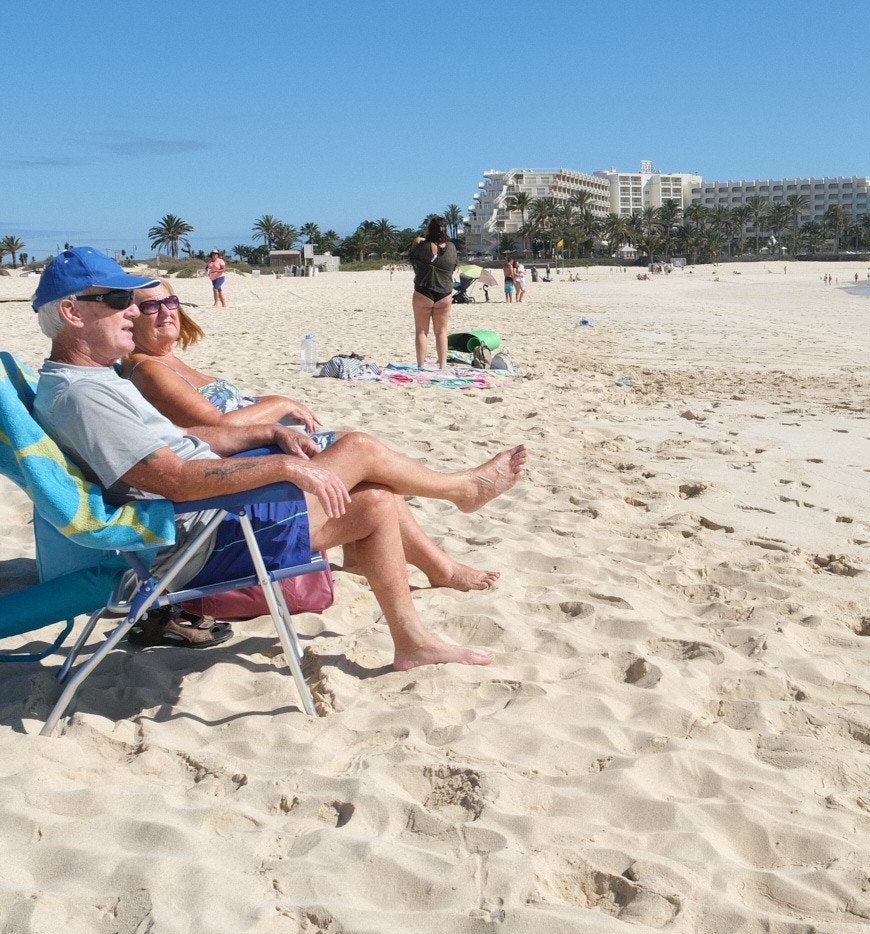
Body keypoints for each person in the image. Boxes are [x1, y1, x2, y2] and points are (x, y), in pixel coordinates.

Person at [31, 247, 526, 672]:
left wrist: (269, 432)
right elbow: (176, 479)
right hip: (199, 537)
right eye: (118, 301)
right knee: (359, 454)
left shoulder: (92, 381)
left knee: (373, 498)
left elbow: (178, 440)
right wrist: (283, 467)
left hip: (207, 517)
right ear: (73, 314)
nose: (132, 313)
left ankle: (412, 643)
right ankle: (459, 493)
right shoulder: (84, 395)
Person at [119, 279, 499, 593]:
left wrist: (275, 409)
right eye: (151, 306)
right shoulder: (149, 371)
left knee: (372, 483)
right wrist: (281, 403)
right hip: (237, 480)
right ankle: (458, 491)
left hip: (253, 461)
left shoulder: (166, 360)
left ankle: (430, 566)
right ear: (130, 317)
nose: (167, 311)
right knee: (360, 448)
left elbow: (227, 415)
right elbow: (221, 425)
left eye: (170, 300)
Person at [408, 216, 456, 369]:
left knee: (421, 331)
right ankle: (442, 365)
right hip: (445, 293)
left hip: (423, 292)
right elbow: (454, 266)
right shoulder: (452, 248)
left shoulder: (422, 247)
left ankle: (421, 366)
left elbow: (412, 255)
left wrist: (418, 240)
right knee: (441, 332)